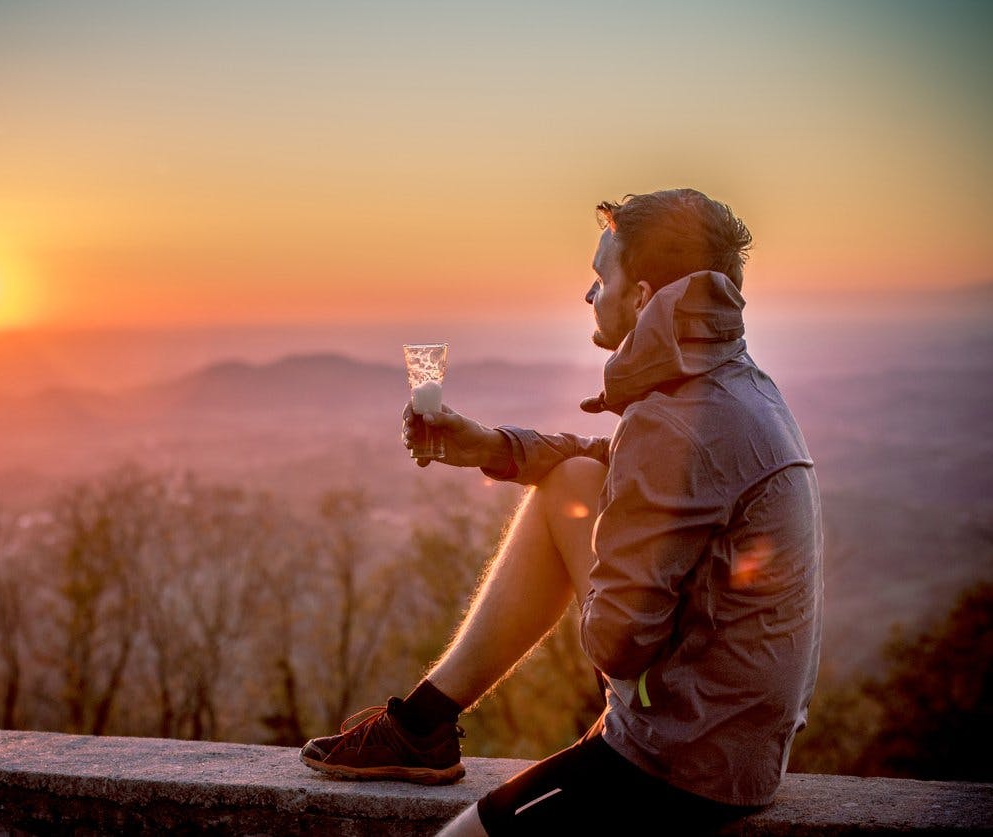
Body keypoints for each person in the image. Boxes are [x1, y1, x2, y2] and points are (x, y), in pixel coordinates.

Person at [299, 188, 823, 836]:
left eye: (600, 277)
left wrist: (597, 562)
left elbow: (618, 642)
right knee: (571, 479)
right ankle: (423, 721)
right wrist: (494, 447)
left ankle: (420, 724)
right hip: (737, 747)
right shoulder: (736, 389)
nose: (588, 294)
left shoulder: (676, 418)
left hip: (679, 766)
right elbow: (618, 463)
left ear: (640, 297)